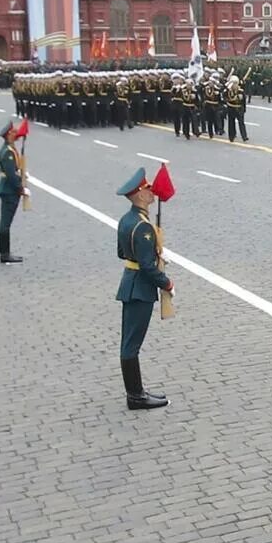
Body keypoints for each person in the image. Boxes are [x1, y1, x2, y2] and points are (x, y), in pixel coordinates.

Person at [115, 167, 175, 410]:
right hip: (140, 288)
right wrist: (167, 282)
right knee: (132, 343)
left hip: (129, 281)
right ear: (139, 195)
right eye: (147, 189)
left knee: (129, 341)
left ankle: (136, 392)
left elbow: (121, 253)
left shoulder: (126, 220)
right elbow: (148, 268)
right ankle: (136, 396)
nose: (152, 192)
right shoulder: (143, 227)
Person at [0, 119, 28, 264]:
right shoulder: (7, 152)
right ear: (8, 135)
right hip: (9, 190)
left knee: (5, 222)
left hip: (8, 189)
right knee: (5, 223)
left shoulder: (10, 149)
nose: (16, 133)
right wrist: (20, 188)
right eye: (14, 132)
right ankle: (4, 253)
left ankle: (5, 253)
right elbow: (10, 174)